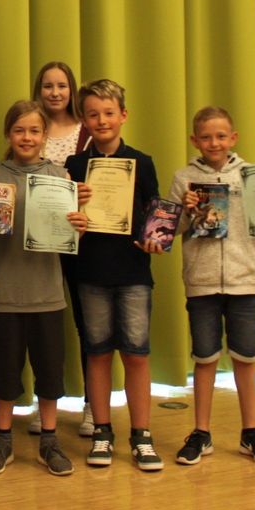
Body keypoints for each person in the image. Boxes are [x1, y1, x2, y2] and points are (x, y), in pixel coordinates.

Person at [170, 107, 255, 466]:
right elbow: (172, 228)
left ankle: (251, 432)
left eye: (221, 136)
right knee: (205, 358)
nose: (214, 143)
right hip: (201, 283)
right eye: (206, 137)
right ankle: (201, 433)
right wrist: (184, 209)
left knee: (246, 358)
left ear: (233, 138)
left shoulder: (253, 176)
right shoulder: (183, 177)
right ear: (194, 140)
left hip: (244, 281)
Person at [0, 100, 88, 476]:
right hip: (7, 293)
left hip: (48, 293)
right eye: (19, 130)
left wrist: (79, 225)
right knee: (6, 375)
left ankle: (49, 442)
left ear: (44, 135)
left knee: (50, 374)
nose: (27, 137)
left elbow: (69, 237)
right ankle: (3, 440)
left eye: (34, 131)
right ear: (8, 134)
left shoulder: (61, 177)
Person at [64, 79, 165, 471]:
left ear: (123, 115)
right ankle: (102, 432)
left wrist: (155, 239)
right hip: (90, 272)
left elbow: (156, 214)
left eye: (109, 113)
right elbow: (62, 222)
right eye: (93, 114)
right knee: (97, 352)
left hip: (133, 271)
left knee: (136, 354)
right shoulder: (74, 166)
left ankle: (141, 434)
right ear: (84, 120)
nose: (102, 120)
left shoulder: (143, 162)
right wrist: (73, 210)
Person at [31, 61, 94, 437]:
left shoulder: (88, 131)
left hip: (82, 241)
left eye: (61, 86)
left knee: (88, 324)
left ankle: (92, 404)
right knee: (41, 325)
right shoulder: (32, 128)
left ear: (72, 91)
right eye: (48, 86)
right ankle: (45, 405)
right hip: (39, 242)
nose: (55, 93)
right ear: (38, 90)